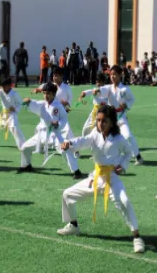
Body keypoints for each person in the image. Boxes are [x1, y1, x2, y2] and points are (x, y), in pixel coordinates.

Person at [56, 105, 145, 254]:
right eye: (98, 120)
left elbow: (128, 152)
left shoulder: (118, 139)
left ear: (111, 122)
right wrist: (69, 143)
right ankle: (73, 225)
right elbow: (82, 141)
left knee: (124, 202)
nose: (100, 124)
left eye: (104, 121)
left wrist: (122, 166)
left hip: (112, 179)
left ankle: (137, 237)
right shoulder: (94, 135)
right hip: (96, 178)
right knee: (67, 194)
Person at [19, 83, 82, 178]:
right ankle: (26, 165)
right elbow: (34, 103)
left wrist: (58, 124)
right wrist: (28, 101)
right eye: (44, 93)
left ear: (54, 94)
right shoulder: (42, 104)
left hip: (55, 134)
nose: (46, 95)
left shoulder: (58, 106)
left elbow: (64, 118)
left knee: (65, 150)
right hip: (42, 134)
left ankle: (76, 171)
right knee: (25, 148)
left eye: (48, 93)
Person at [92, 65, 143, 164]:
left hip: (121, 118)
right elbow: (101, 90)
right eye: (111, 74)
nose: (112, 76)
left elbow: (132, 99)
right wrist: (94, 91)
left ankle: (138, 156)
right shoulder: (108, 88)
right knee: (100, 135)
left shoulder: (125, 89)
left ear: (120, 75)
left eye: (115, 74)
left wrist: (126, 104)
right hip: (110, 119)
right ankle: (99, 156)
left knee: (128, 136)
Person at [0, 78, 26, 153]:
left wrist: (15, 108)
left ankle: (23, 145)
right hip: (3, 114)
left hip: (12, 115)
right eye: (2, 86)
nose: (3, 88)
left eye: (4, 86)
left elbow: (21, 103)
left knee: (14, 128)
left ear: (9, 86)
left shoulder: (14, 93)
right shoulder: (1, 91)